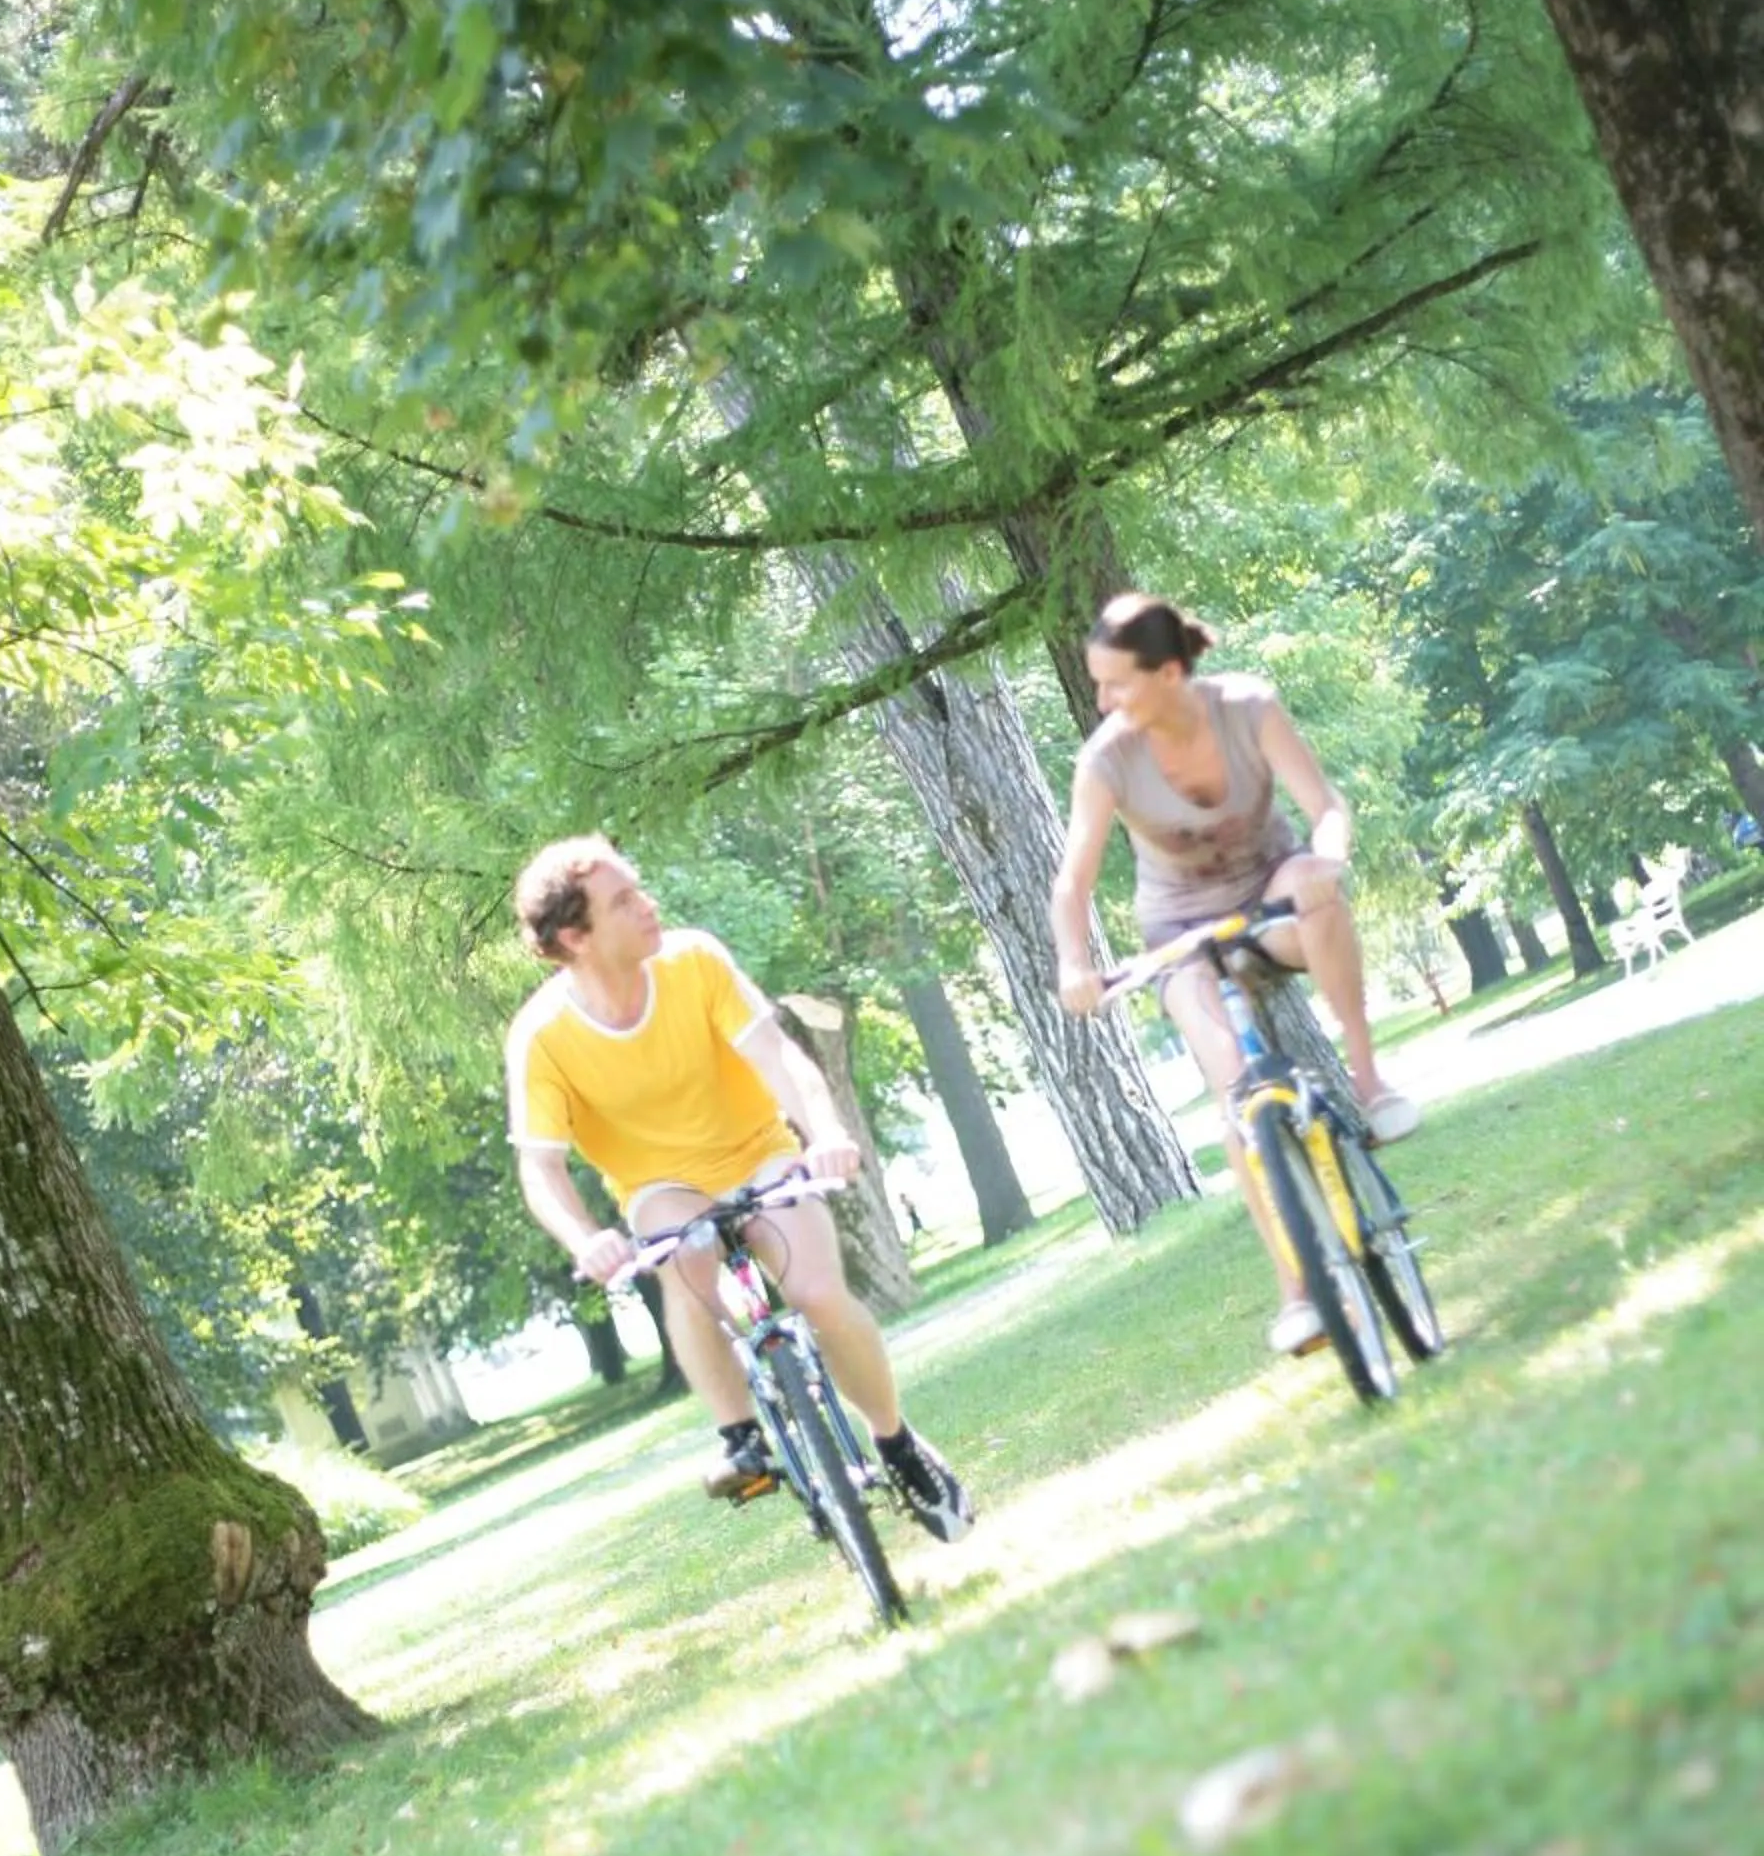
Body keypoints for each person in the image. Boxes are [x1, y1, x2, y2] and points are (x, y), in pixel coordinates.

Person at [505, 834, 972, 1536]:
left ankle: (896, 1443)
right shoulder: (542, 1036)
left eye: (640, 887)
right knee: (679, 1261)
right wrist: (586, 1238)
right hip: (662, 1184)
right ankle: (743, 1443)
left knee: (816, 1294)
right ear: (575, 936)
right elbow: (540, 1168)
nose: (647, 905)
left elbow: (778, 1057)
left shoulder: (694, 960)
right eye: (623, 900)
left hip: (760, 1154)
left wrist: (826, 1135)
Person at [1050, 593, 1420, 1356]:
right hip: (1180, 933)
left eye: (1117, 683)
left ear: (1172, 670)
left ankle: (1367, 1080)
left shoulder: (1248, 707)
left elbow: (1325, 807)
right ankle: (1298, 1291)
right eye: (1097, 684)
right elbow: (1073, 882)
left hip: (1274, 888)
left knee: (1319, 907)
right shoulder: (1106, 761)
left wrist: (1328, 860)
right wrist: (1074, 962)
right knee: (1234, 1098)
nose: (1104, 701)